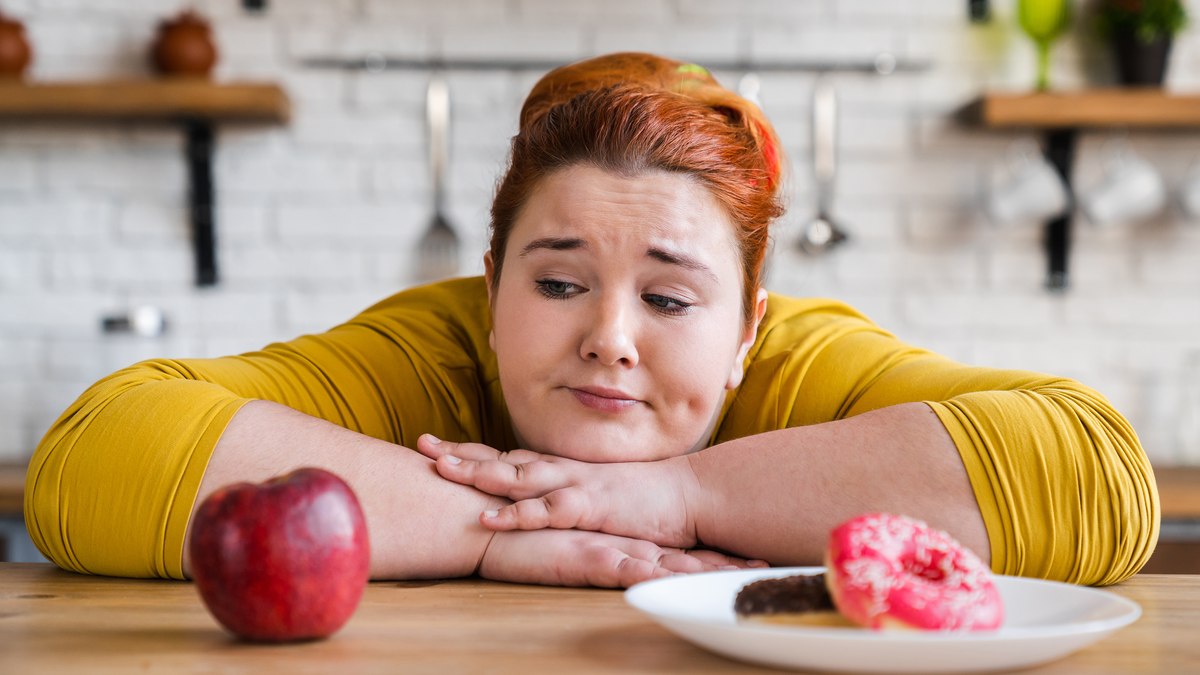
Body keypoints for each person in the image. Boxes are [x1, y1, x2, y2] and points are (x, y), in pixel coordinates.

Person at [25, 52, 1157, 588]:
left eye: (670, 299)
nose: (610, 336)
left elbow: (1099, 481)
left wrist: (673, 493)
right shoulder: (432, 347)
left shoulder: (807, 368)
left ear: (751, 330)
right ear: (491, 282)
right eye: (557, 283)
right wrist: (489, 532)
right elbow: (94, 457)